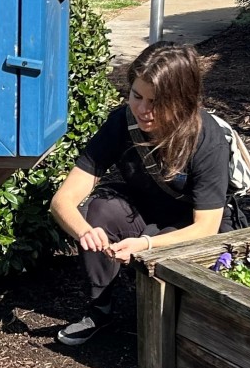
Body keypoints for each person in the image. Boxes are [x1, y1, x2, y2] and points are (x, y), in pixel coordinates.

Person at [48, 41, 233, 345]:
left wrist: (146, 244)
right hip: (145, 216)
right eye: (137, 96)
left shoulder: (207, 138)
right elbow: (62, 200)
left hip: (189, 229)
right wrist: (84, 232)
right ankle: (99, 308)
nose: (144, 110)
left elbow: (206, 228)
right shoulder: (122, 123)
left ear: (183, 101)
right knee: (100, 211)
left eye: (157, 101)